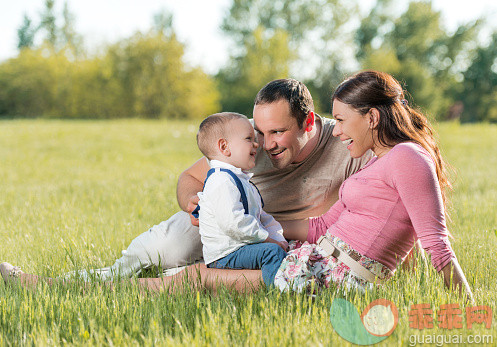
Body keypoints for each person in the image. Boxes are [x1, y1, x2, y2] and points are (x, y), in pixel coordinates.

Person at [0, 79, 370, 290]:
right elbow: (191, 177)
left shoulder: (346, 147)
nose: (264, 144)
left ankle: (155, 284)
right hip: (224, 220)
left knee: (195, 278)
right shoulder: (247, 147)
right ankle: (81, 281)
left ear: (308, 125)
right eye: (259, 131)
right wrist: (194, 203)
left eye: (277, 133)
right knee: (166, 246)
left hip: (268, 235)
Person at [271, 71, 473, 300]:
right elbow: (321, 226)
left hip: (331, 275)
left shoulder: (406, 156)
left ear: (372, 118)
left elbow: (436, 243)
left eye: (341, 120)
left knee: (231, 272)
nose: (335, 130)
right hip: (318, 261)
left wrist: (469, 309)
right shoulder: (378, 160)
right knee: (242, 253)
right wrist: (261, 222)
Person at [194, 112, 287, 287]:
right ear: (224, 147)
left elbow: (262, 217)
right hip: (226, 254)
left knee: (279, 248)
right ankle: (281, 295)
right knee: (272, 253)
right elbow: (234, 223)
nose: (257, 144)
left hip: (240, 247)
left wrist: (279, 237)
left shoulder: (240, 180)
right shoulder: (221, 181)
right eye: (248, 139)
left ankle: (289, 277)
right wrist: (269, 240)